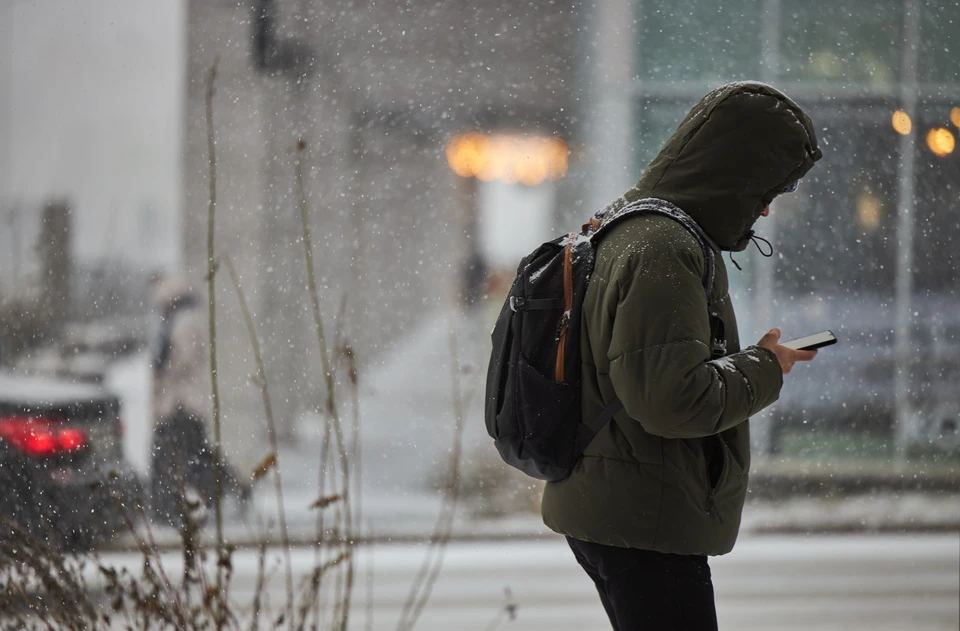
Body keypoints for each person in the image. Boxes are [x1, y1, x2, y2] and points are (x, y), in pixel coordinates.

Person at [540, 82, 823, 630]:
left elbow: (644, 372)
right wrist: (766, 368)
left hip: (621, 502)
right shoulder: (664, 247)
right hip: (645, 515)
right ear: (732, 175)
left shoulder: (629, 223)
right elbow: (672, 402)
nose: (765, 207)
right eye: (766, 189)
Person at [149, 272, 248, 526]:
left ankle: (175, 507)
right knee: (193, 454)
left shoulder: (182, 321)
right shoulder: (177, 319)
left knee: (181, 455)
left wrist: (164, 375)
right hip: (178, 403)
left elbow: (183, 359)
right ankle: (225, 489)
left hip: (181, 403)